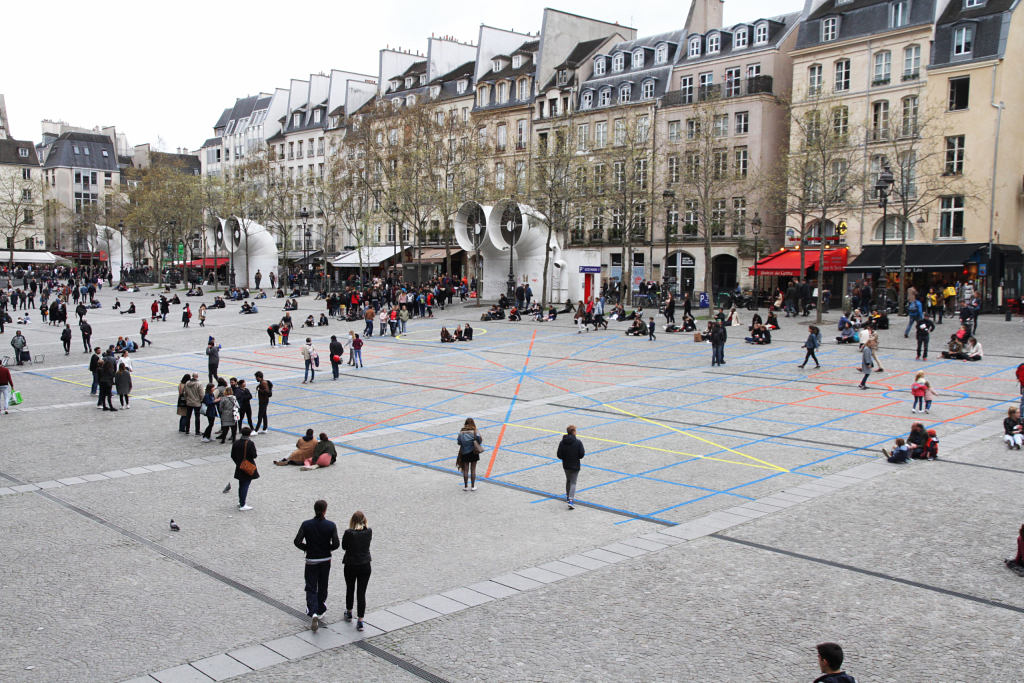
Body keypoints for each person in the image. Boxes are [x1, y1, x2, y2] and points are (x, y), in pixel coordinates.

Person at [294, 499, 340, 632]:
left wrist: (307, 548)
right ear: (325, 510)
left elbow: (297, 541)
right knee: (323, 583)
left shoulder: (306, 524)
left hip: (311, 561)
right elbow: (336, 544)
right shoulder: (331, 525)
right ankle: (320, 608)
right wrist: (328, 548)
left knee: (311, 585)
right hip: (325, 560)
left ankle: (312, 611)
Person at [342, 510, 373, 632]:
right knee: (361, 592)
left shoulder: (349, 533)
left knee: (350, 588)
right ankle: (360, 620)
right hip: (365, 565)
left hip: (351, 564)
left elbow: (344, 546)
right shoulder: (369, 531)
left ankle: (349, 612)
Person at [556, 425, 585, 510]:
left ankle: (568, 496)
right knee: (573, 482)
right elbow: (581, 454)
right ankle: (571, 500)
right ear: (573, 432)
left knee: (568, 480)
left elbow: (559, 455)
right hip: (575, 466)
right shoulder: (578, 442)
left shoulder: (562, 442)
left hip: (566, 466)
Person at [230, 427, 258, 511]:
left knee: (241, 485)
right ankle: (243, 504)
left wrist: (238, 463)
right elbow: (254, 455)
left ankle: (241, 501)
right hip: (247, 467)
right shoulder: (250, 443)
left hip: (239, 466)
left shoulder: (236, 442)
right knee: (245, 485)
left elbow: (232, 455)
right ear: (249, 434)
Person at [456, 418, 483, 491]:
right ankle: (473, 486)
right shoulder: (475, 431)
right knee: (473, 469)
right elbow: (480, 441)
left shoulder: (461, 432)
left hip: (464, 452)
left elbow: (459, 442)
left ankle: (465, 486)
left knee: (465, 469)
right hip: (474, 452)